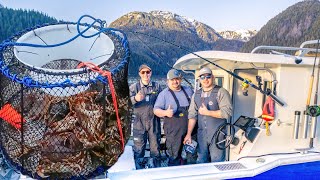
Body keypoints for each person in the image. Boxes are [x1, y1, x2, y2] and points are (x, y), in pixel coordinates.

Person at [183, 67, 232, 163]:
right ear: (199, 79)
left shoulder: (222, 92)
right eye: (202, 77)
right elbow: (192, 115)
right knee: (201, 161)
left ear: (213, 77)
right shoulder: (196, 95)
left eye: (208, 76)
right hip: (201, 135)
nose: (205, 79)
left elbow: (227, 113)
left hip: (218, 135)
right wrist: (188, 134)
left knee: (217, 161)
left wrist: (208, 113)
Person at [153, 69, 194, 166]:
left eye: (177, 79)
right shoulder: (163, 94)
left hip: (191, 131)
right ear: (167, 81)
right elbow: (156, 110)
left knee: (191, 156)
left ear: (181, 79)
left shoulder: (188, 90)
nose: (175, 82)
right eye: (172, 80)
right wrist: (166, 112)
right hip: (173, 132)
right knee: (174, 157)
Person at [129, 64, 162, 169]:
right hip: (139, 123)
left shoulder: (157, 86)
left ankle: (157, 171)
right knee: (139, 150)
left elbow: (162, 101)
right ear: (139, 74)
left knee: (155, 149)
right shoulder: (133, 87)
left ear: (151, 73)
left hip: (154, 122)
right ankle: (139, 172)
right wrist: (135, 98)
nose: (145, 74)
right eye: (143, 72)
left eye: (147, 72)